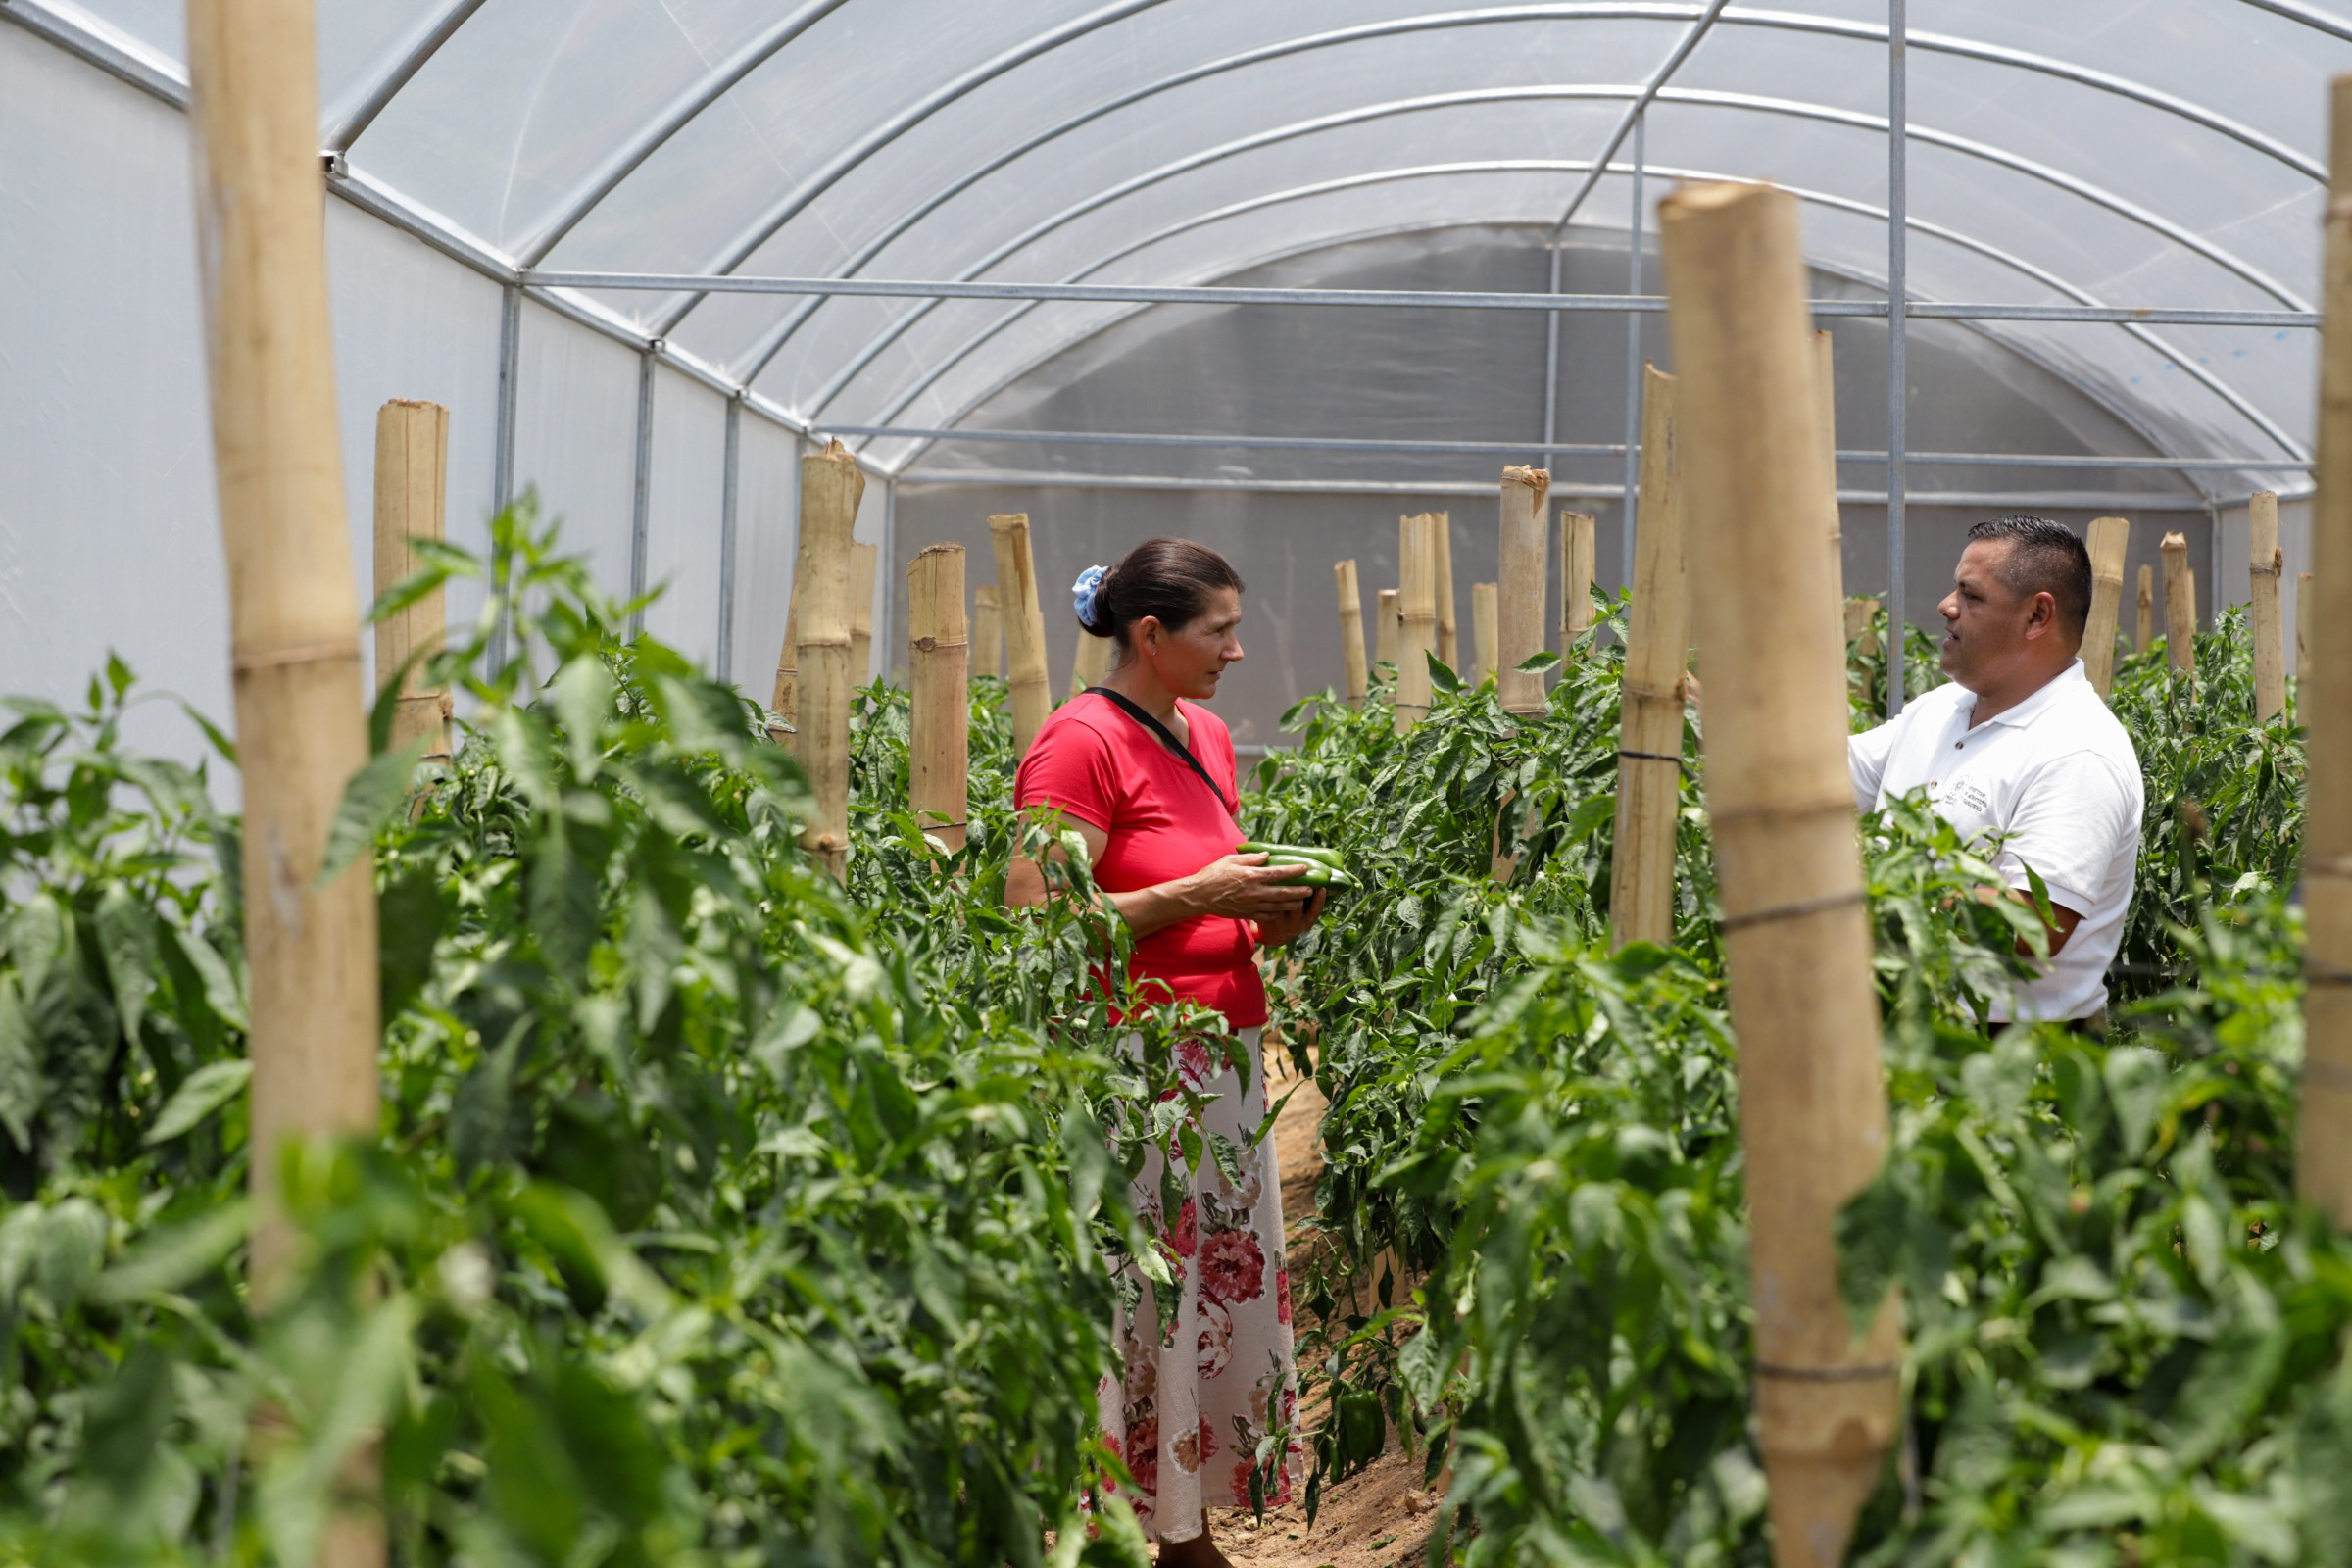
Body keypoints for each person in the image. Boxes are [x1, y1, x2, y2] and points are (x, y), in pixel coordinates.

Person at [1005, 538, 1320, 1563]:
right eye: (1218, 631)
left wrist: (1276, 915)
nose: (1236, 650)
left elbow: (1211, 899)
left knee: (1199, 1302)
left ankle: (1185, 1525)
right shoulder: (1078, 744)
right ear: (1150, 634)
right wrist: (1206, 895)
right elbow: (1038, 923)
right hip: (1135, 1071)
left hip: (1222, 1060)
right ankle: (1133, 1532)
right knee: (1142, 1298)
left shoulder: (1211, 737)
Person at [1848, 515, 2144, 1029]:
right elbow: (1822, 780)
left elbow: (2030, 927)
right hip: (1908, 1028)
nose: (1946, 606)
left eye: (1972, 595)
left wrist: (1864, 885)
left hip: (2011, 1061)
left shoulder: (2077, 752)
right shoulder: (1943, 708)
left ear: (2037, 616)